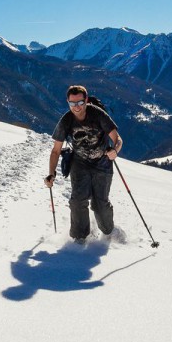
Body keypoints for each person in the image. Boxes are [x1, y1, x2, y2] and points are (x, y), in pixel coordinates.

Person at [44, 86, 122, 244]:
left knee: (99, 204)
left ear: (86, 100)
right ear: (68, 102)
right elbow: (56, 150)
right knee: (77, 201)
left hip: (103, 161)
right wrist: (51, 173)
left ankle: (109, 232)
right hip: (79, 162)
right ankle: (79, 239)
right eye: (72, 104)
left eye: (80, 102)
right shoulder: (66, 120)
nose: (76, 107)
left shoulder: (98, 114)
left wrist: (115, 150)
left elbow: (117, 138)